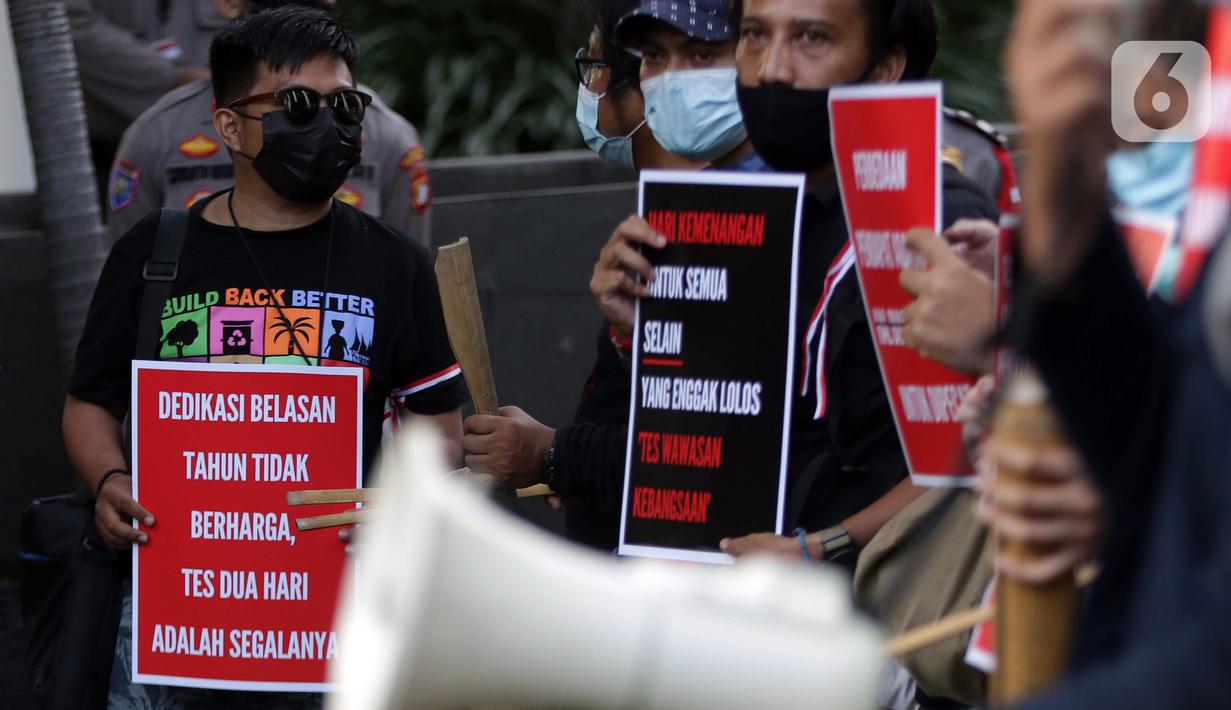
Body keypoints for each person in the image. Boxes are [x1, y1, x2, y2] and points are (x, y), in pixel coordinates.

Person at [61, 7, 467, 705]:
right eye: (298, 104)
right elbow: (89, 402)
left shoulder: (394, 264)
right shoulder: (155, 254)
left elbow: (439, 424)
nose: (328, 123)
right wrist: (109, 481)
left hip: (335, 628)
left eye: (345, 105)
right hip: (179, 622)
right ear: (228, 126)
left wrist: (394, 501)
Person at [106, 0, 433, 247]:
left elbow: (404, 272)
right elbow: (134, 279)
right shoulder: (157, 134)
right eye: (295, 103)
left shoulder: (386, 134)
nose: (324, 116)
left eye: (342, 104)